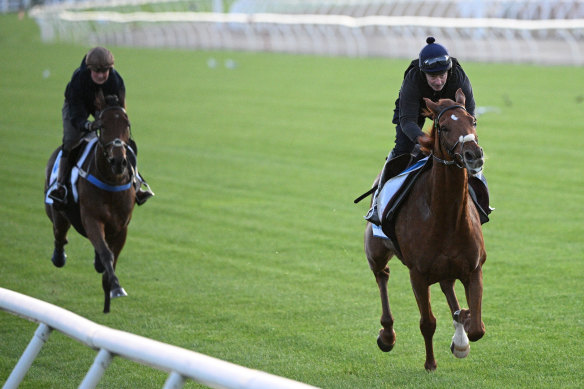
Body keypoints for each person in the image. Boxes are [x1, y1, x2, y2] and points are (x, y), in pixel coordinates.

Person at [365, 37, 489, 225]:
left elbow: (470, 119)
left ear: (449, 71)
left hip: (452, 112)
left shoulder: (459, 79)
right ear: (424, 74)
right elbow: (407, 122)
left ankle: (481, 204)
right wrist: (426, 141)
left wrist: (464, 142)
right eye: (433, 77)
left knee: (469, 152)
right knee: (403, 149)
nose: (438, 81)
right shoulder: (413, 80)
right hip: (414, 112)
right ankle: (377, 205)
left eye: (442, 75)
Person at [48, 46, 154, 206]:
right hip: (77, 107)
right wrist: (88, 125)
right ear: (89, 69)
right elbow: (76, 115)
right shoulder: (78, 80)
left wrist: (120, 125)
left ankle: (137, 183)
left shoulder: (116, 81)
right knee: (71, 140)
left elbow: (120, 110)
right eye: (97, 71)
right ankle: (60, 186)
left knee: (125, 140)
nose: (101, 75)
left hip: (103, 106)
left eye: (105, 71)